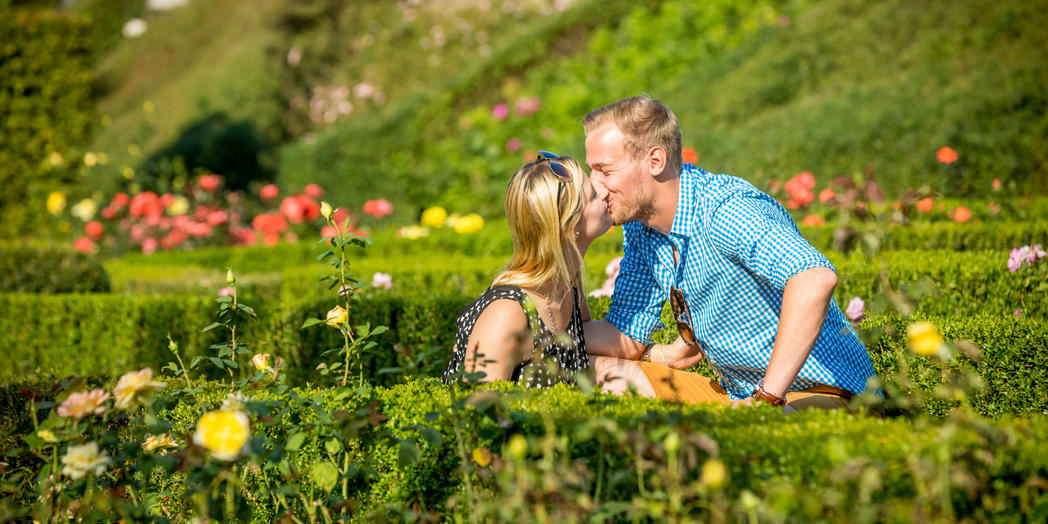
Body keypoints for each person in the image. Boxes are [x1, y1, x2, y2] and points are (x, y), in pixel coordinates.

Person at [581, 96, 878, 411]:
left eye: (605, 171)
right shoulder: (641, 228)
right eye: (592, 171)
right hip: (739, 396)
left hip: (827, 392)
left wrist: (766, 400)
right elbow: (624, 337)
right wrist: (536, 336)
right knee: (579, 368)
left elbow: (815, 280)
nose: (594, 186)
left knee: (759, 430)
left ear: (655, 161)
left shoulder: (725, 210)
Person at [442, 152, 615, 387]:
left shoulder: (567, 282)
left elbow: (582, 346)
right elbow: (479, 413)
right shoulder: (508, 313)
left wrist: (662, 353)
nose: (604, 193)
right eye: (593, 195)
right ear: (568, 226)